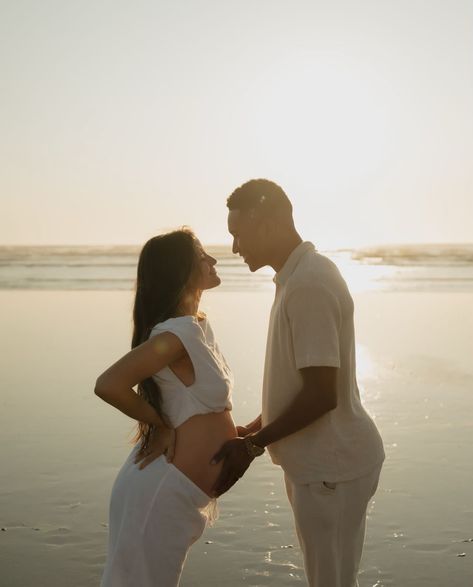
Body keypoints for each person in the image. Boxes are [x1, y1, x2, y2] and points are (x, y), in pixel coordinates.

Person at [211, 179, 385, 587]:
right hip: (323, 464)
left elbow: (321, 394)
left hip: (332, 468)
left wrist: (253, 446)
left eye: (238, 234)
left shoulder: (308, 283)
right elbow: (303, 384)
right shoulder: (296, 277)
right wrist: (257, 426)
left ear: (267, 223)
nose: (235, 247)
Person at [95, 228, 236, 587]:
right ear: (181, 269)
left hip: (171, 491)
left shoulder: (196, 327)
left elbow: (198, 409)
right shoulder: (175, 336)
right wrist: (160, 424)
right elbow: (109, 384)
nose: (213, 260)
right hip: (159, 492)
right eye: (202, 255)